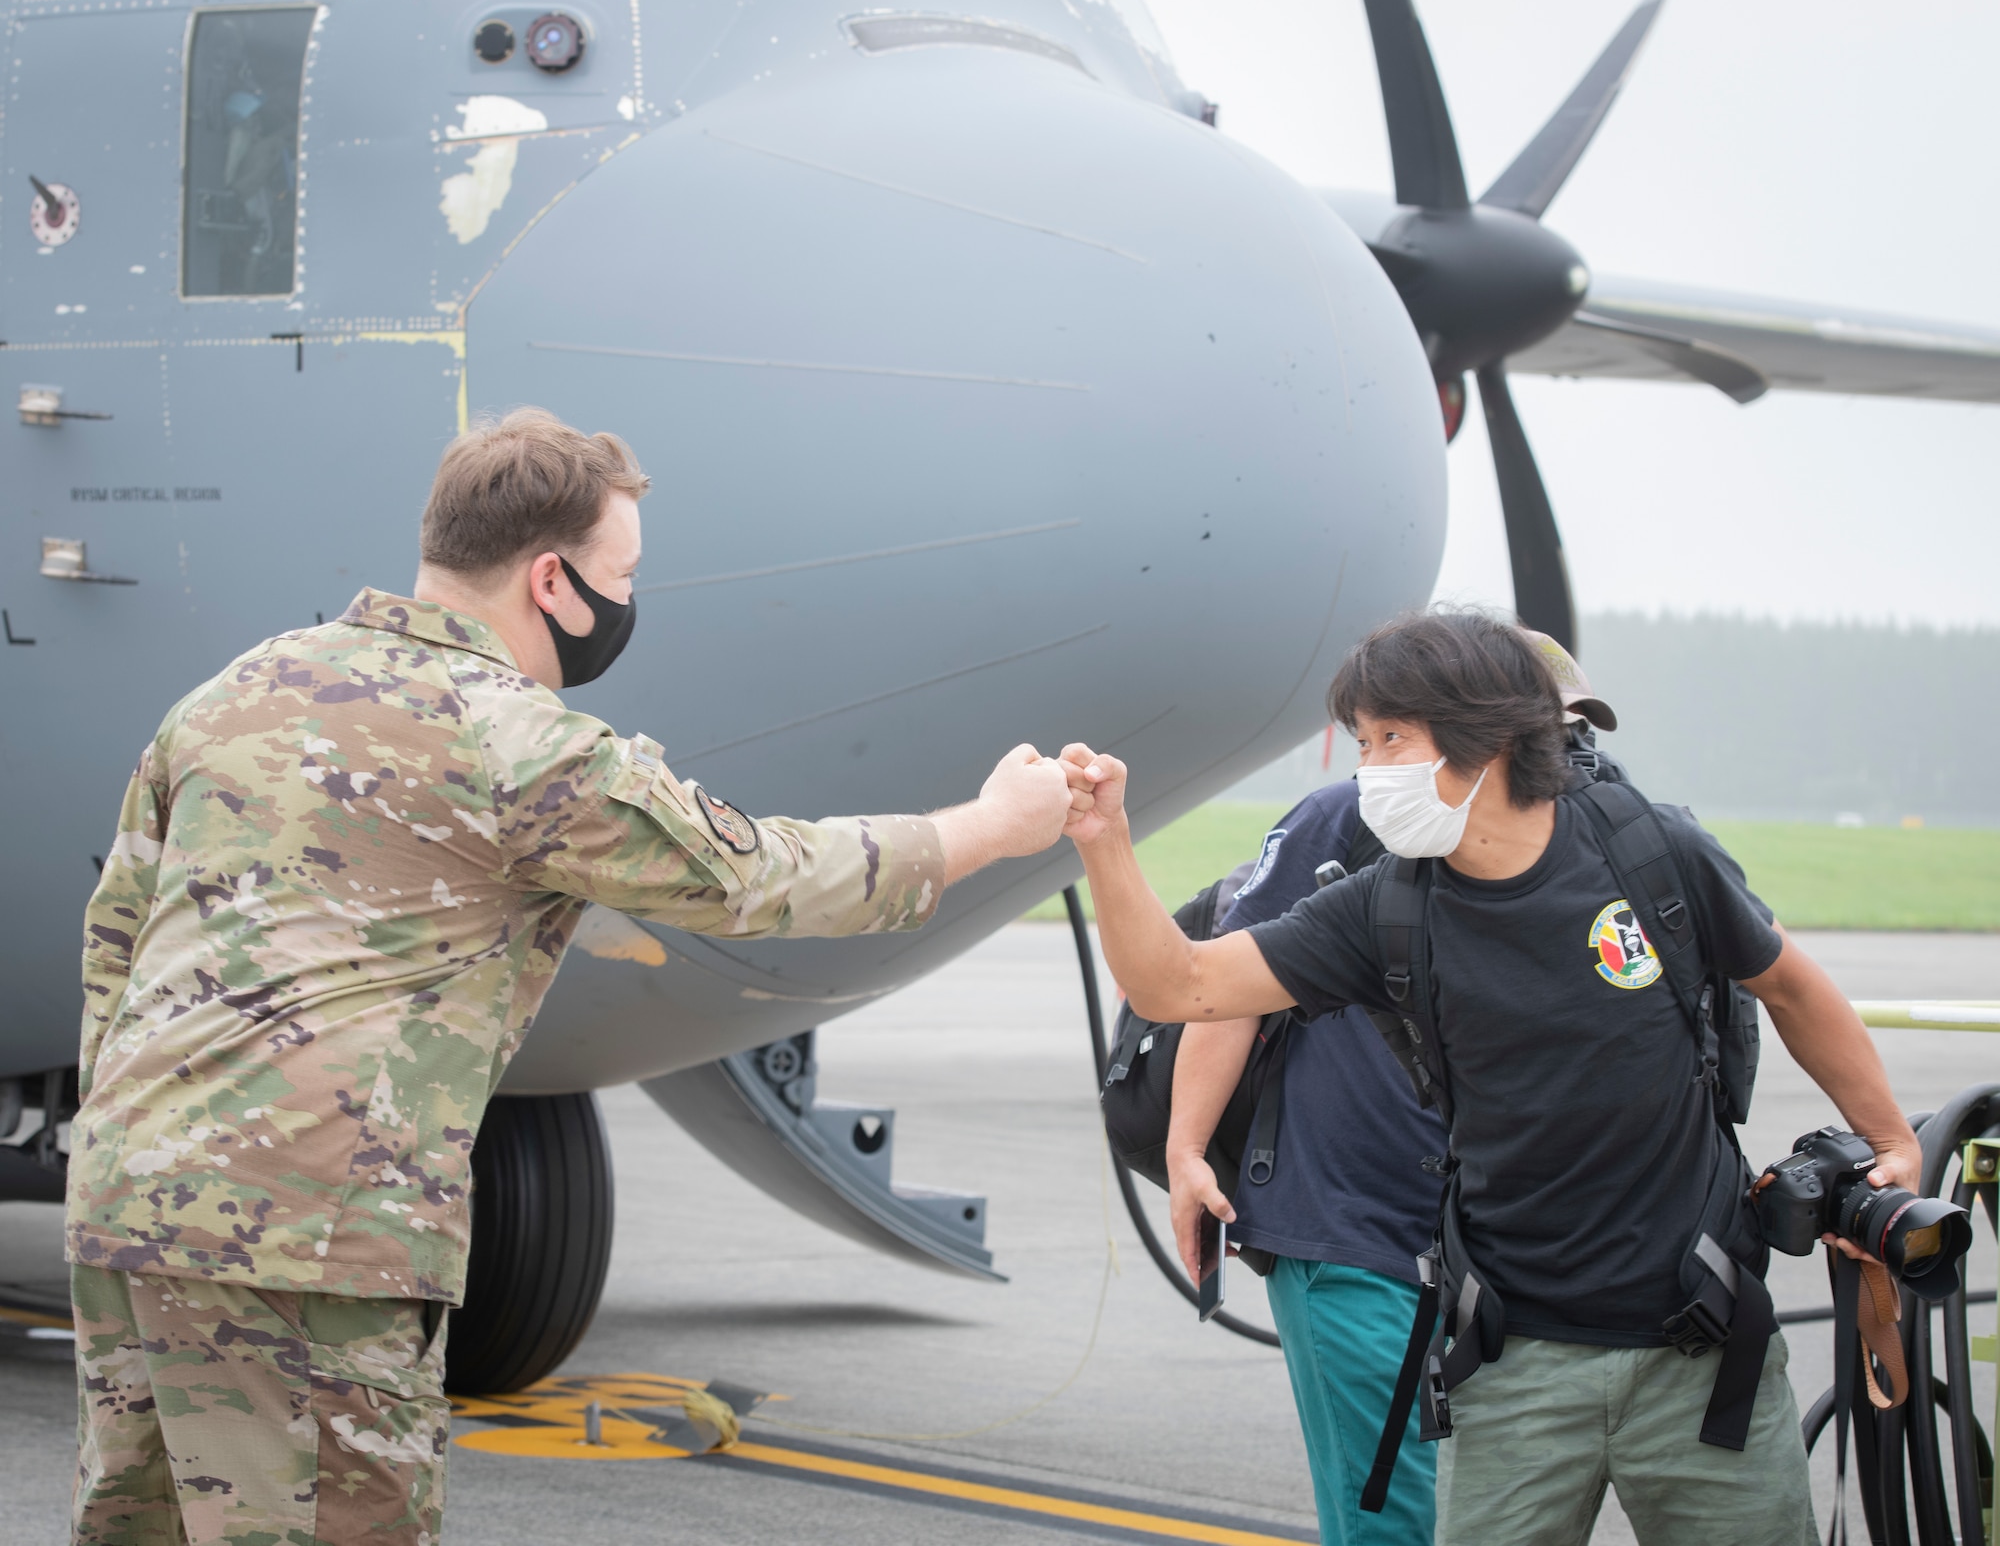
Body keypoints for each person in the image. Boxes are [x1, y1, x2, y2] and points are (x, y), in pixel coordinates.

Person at [67, 407, 1075, 1546]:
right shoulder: (518, 744)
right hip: (308, 1230)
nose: (628, 602)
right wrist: (991, 826)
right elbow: (756, 877)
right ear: (551, 579)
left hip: (127, 1200)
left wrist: (130, 1133)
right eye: (622, 573)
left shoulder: (239, 690)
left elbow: (118, 937)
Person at [1062, 608, 1920, 1546]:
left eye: (1394, 737)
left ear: (1488, 738)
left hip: (1704, 1345)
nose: (1371, 767)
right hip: (1514, 1362)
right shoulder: (1383, 906)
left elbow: (1788, 982)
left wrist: (1889, 1139)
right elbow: (1184, 985)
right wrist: (1106, 842)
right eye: (1364, 740)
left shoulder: (1649, 850)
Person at [1165, 634, 1620, 1546]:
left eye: (1577, 737)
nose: (1570, 760)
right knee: (1398, 1518)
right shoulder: (1350, 818)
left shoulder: (1605, 841)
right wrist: (1185, 1150)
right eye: (1549, 735)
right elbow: (1219, 995)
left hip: (1504, 1251)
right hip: (1354, 1228)